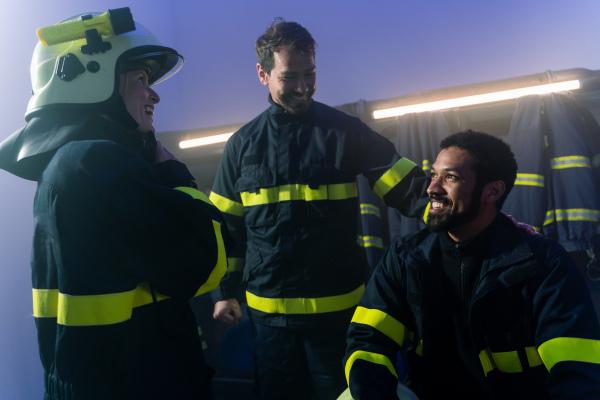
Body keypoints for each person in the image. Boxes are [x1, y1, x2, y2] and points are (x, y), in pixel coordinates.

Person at [0, 8, 231, 400]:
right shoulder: (98, 165)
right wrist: (178, 177)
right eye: (141, 79)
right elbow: (205, 265)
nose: (154, 94)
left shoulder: (71, 166)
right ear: (90, 79)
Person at [208, 18, 429, 400]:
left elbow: (408, 188)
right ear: (262, 74)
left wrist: (461, 209)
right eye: (289, 77)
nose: (303, 87)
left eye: (310, 74)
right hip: (270, 325)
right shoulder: (241, 146)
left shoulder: (345, 132)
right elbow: (227, 230)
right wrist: (224, 293)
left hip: (339, 317)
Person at [343, 130, 600, 399]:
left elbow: (578, 370)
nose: (431, 188)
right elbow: (368, 342)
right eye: (433, 174)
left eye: (450, 177)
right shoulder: (405, 257)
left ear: (493, 191)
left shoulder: (544, 263)